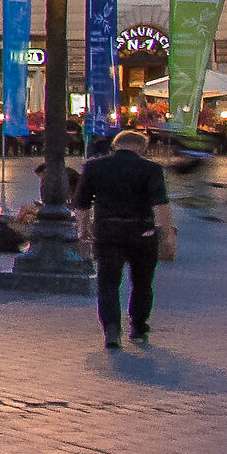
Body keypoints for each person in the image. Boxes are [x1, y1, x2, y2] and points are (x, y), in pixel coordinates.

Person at [73, 129, 175, 350]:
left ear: (115, 145)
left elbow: (81, 203)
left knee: (108, 283)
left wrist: (83, 228)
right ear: (141, 148)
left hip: (108, 231)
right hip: (142, 233)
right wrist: (167, 236)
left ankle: (111, 329)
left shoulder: (93, 167)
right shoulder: (151, 169)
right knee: (142, 282)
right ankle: (138, 325)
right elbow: (161, 206)